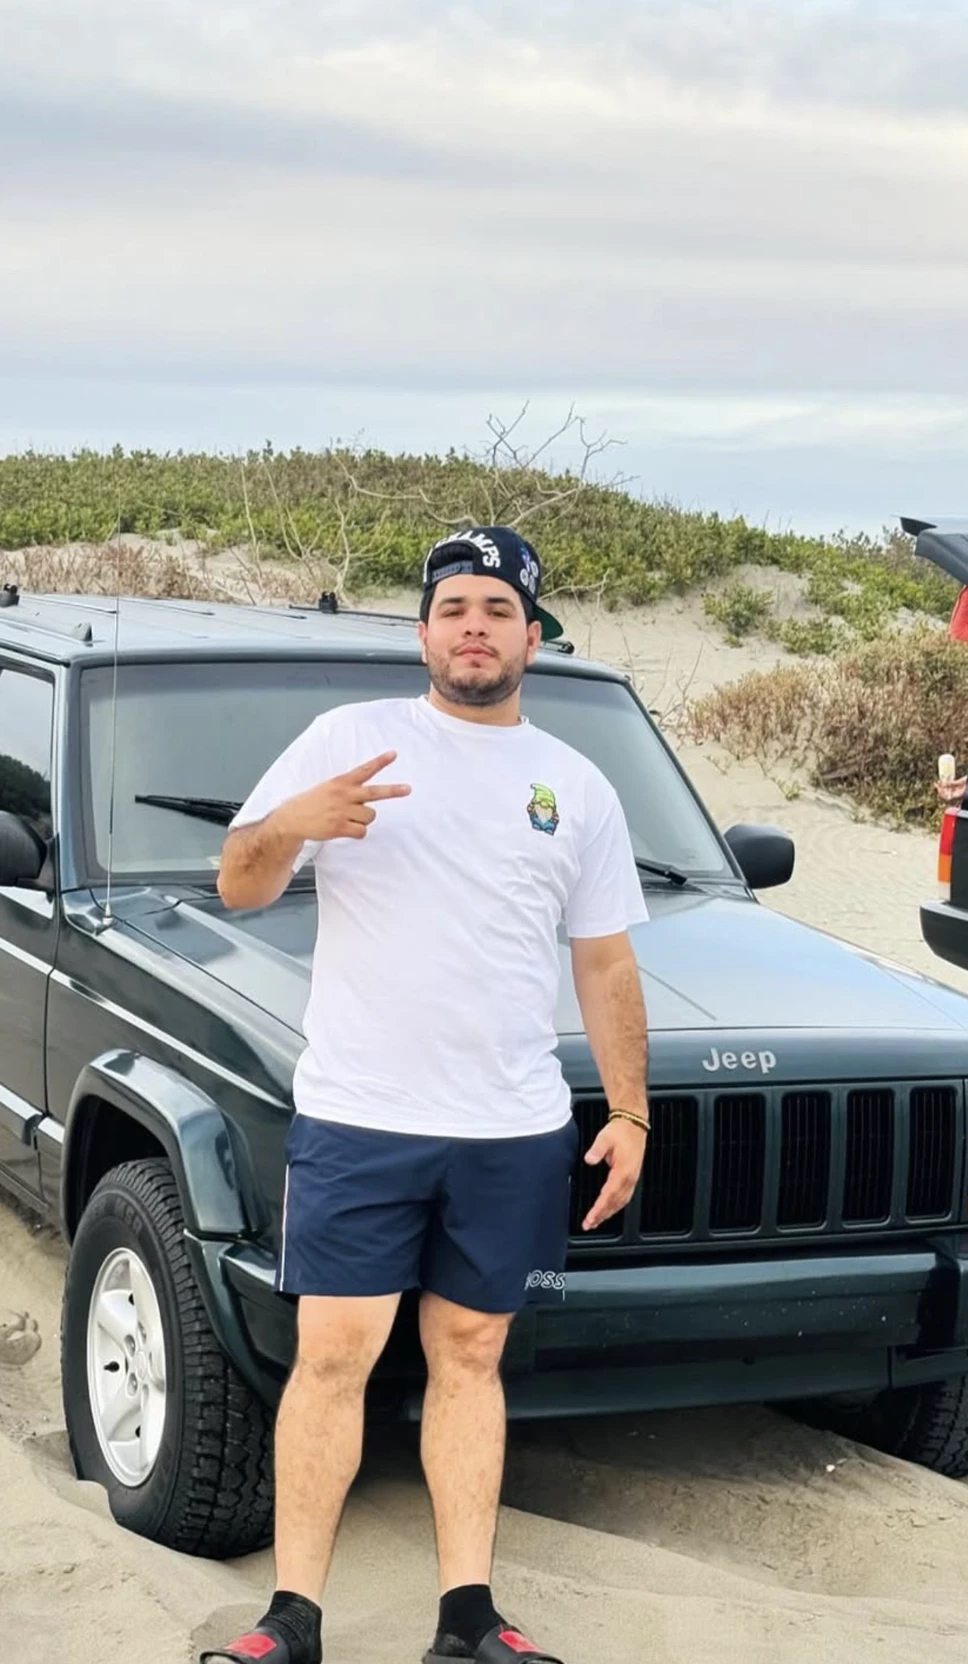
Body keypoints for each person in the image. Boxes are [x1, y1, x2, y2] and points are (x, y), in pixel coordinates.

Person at [202, 526, 650, 1664]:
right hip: (361, 1114)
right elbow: (239, 884)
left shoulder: (576, 785)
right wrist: (286, 826)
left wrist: (630, 1111)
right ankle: (290, 1618)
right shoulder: (348, 739)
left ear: (533, 638)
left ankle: (467, 1618)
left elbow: (604, 963)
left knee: (472, 1355)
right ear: (422, 633)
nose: (474, 628)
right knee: (332, 1356)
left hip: (511, 1126)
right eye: (454, 608)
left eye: (498, 610)